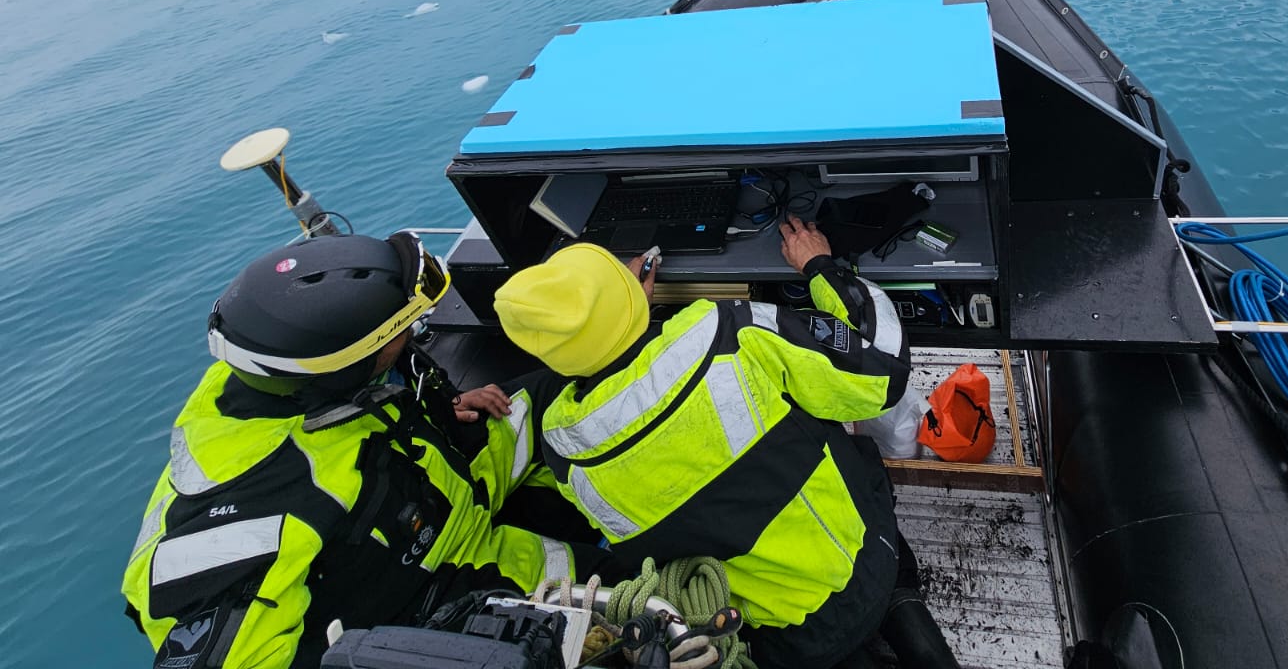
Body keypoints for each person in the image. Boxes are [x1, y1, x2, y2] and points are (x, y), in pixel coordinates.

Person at [493, 217, 953, 669]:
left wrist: (617, 319)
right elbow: (882, 366)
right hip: (866, 567)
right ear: (627, 296)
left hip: (782, 639)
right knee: (863, 496)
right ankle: (907, 614)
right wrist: (821, 267)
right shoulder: (727, 332)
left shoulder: (565, 452)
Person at [122, 230, 593, 669]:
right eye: (398, 329)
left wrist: (441, 406)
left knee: (567, 391)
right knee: (622, 589)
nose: (413, 331)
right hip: (447, 583)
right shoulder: (268, 514)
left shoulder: (282, 377)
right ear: (347, 368)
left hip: (442, 480)